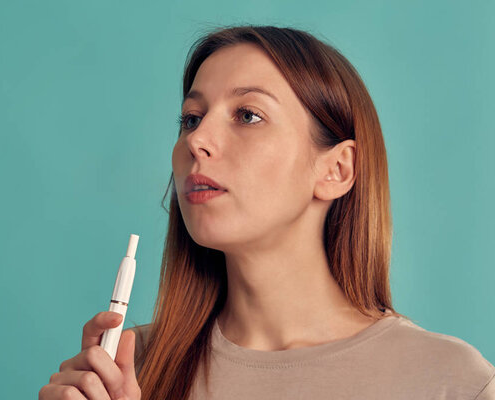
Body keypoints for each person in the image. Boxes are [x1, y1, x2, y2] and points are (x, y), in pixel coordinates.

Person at [39, 25, 495, 400]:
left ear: (336, 169)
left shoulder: (451, 382)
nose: (197, 141)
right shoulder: (129, 369)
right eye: (191, 118)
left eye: (248, 115)